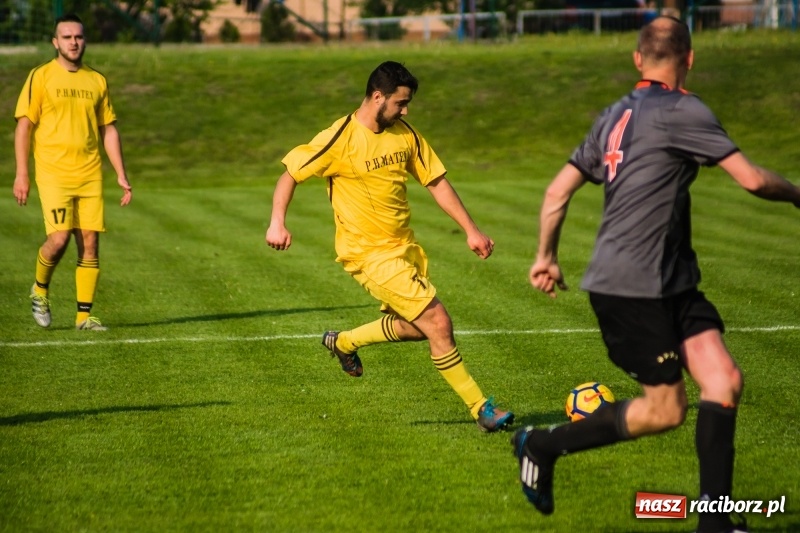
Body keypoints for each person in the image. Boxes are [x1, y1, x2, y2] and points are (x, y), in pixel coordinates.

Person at [513, 16, 800, 533]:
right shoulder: (684, 109)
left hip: (672, 281)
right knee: (665, 411)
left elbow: (557, 192)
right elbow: (754, 181)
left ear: (638, 59)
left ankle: (715, 522)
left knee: (724, 380)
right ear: (690, 58)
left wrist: (546, 256)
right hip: (630, 288)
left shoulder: (613, 115)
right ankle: (541, 445)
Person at [265, 61, 513, 433]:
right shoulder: (340, 138)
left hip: (404, 249)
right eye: (401, 103)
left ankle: (344, 342)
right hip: (368, 254)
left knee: (419, 328)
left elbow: (436, 181)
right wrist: (277, 222)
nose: (405, 110)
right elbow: (290, 175)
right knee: (438, 323)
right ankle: (481, 409)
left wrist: (471, 230)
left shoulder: (404, 133)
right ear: (377, 97)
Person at [13, 13, 132, 331]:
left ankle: (83, 317)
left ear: (85, 41)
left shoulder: (96, 80)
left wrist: (121, 173)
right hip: (54, 173)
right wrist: (22, 173)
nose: (73, 42)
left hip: (90, 173)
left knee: (90, 242)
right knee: (60, 238)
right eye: (66, 37)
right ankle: (40, 289)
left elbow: (109, 129)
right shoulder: (41, 77)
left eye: (78, 37)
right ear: (55, 42)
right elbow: (24, 126)